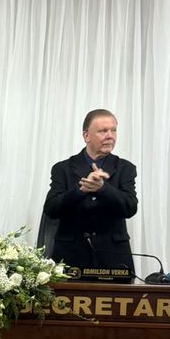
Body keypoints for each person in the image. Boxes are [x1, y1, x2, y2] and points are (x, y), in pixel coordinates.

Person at [43, 108, 137, 280]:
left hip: (113, 260)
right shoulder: (62, 168)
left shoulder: (125, 168)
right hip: (71, 259)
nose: (110, 136)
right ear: (86, 136)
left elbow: (130, 207)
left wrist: (102, 188)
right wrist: (81, 190)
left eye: (114, 130)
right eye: (103, 131)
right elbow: (51, 208)